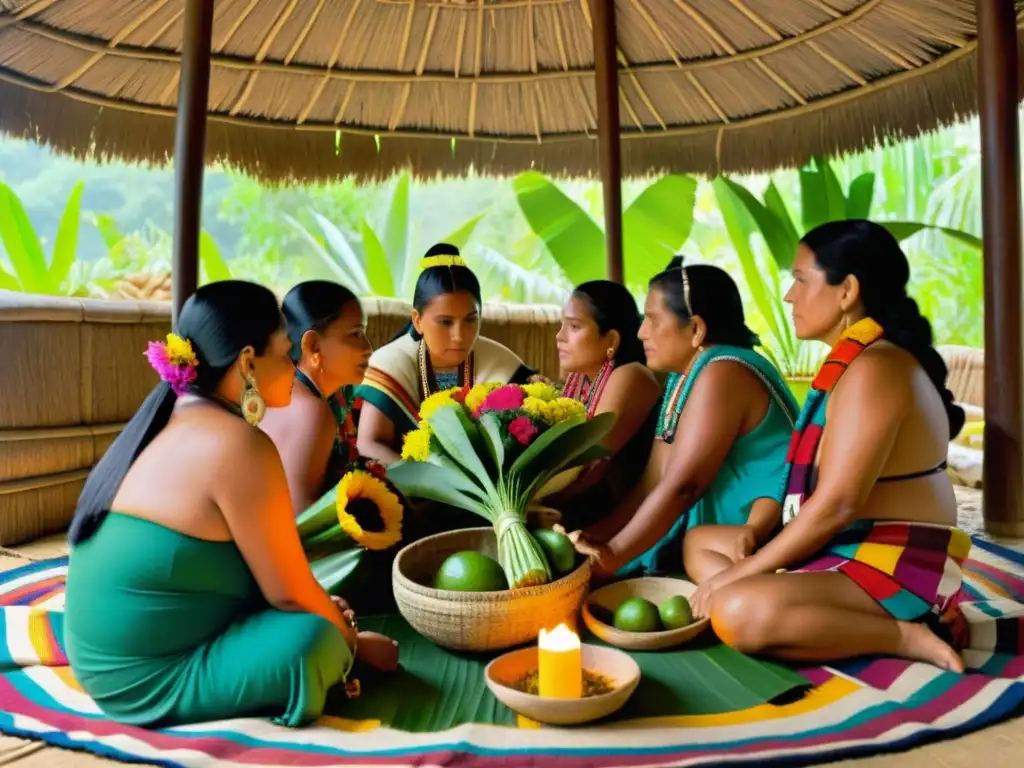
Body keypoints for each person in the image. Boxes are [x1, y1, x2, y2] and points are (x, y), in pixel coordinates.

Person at [63, 281, 398, 728]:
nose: (293, 364)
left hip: (104, 658)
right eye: (284, 352)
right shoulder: (240, 443)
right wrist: (353, 645)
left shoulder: (169, 419)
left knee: (320, 611)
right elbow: (289, 591)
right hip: (143, 678)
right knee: (315, 639)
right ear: (247, 361)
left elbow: (266, 575)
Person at [698, 220, 969, 673]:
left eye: (801, 280)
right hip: (847, 544)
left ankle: (905, 632)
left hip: (896, 561)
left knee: (735, 609)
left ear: (847, 291)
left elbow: (839, 504)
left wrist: (744, 572)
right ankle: (804, 605)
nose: (789, 296)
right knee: (700, 542)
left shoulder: (875, 366)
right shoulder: (856, 360)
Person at [562, 260, 799, 580]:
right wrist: (592, 539)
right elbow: (653, 483)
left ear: (696, 328)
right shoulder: (684, 376)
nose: (641, 331)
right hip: (719, 542)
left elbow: (683, 486)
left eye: (652, 319)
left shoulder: (725, 370)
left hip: (767, 536)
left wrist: (612, 556)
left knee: (693, 559)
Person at [356, 243, 534, 464]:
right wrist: (430, 482)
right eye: (445, 322)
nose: (459, 336)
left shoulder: (500, 362)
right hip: (406, 490)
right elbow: (369, 444)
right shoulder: (392, 363)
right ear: (417, 320)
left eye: (470, 319)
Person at [546, 280, 660, 527]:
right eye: (562, 325)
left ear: (611, 340)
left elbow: (585, 465)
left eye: (574, 326)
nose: (560, 337)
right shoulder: (582, 379)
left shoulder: (632, 375)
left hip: (619, 524)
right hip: (581, 510)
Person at [261, 281, 371, 513]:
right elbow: (301, 521)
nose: (367, 347)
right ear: (313, 346)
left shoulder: (334, 394)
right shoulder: (308, 410)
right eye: (355, 334)